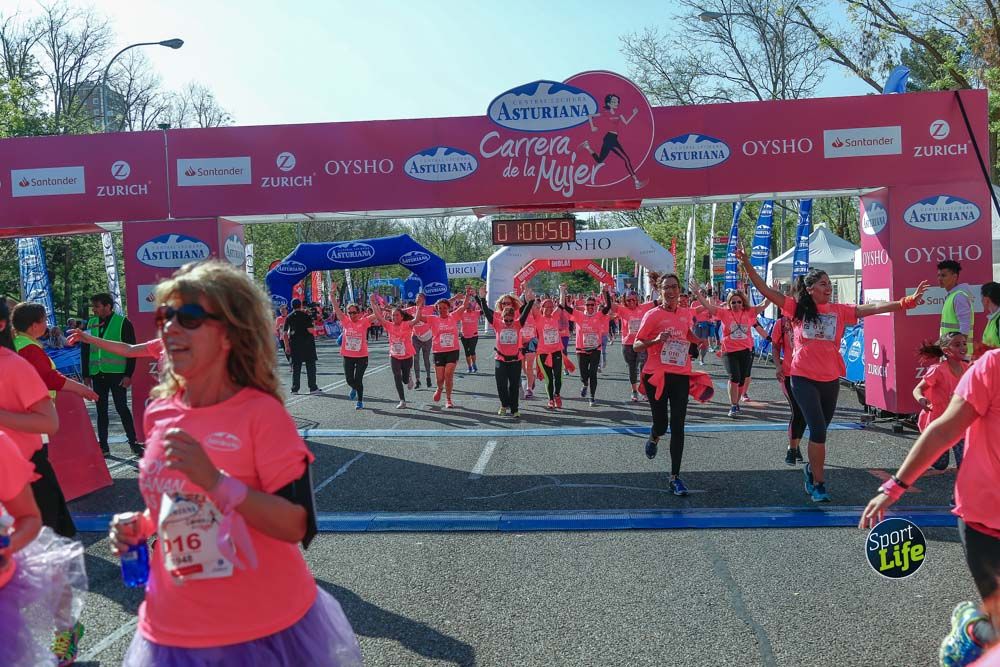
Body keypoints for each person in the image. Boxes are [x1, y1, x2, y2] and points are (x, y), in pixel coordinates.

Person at [109, 260, 363, 666]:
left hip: (259, 628)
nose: (170, 328)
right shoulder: (159, 411)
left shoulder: (262, 414)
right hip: (171, 623)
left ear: (229, 333)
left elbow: (297, 524)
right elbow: (177, 501)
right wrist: (140, 525)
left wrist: (217, 481)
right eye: (165, 316)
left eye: (189, 317)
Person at [738, 248, 929, 502]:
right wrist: (747, 264)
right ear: (810, 289)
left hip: (830, 379)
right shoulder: (796, 309)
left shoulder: (839, 310)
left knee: (822, 430)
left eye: (829, 283)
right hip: (802, 377)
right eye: (823, 284)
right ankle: (819, 484)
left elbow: (872, 307)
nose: (828, 287)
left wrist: (903, 303)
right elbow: (765, 290)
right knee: (818, 430)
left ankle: (810, 470)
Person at [860, 349, 1000, 667]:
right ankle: (972, 628)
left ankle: (979, 630)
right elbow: (944, 430)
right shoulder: (992, 367)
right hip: (985, 522)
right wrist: (895, 487)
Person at [632, 272, 714, 496]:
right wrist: (655, 340)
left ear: (679, 291)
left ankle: (675, 477)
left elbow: (686, 332)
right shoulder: (652, 315)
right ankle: (654, 436)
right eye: (666, 287)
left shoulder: (685, 313)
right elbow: (637, 345)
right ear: (659, 291)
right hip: (656, 375)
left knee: (678, 425)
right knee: (661, 423)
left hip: (680, 374)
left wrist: (698, 340)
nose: (670, 291)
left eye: (674, 287)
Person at [81, 292, 140, 457]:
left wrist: (128, 375)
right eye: (93, 306)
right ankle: (103, 446)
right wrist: (86, 374)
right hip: (97, 373)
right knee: (101, 411)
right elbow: (85, 349)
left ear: (108, 306)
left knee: (122, 408)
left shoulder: (123, 323)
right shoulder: (91, 323)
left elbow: (132, 351)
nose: (94, 310)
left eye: (97, 306)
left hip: (117, 374)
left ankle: (134, 443)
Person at [693, 288, 767, 417]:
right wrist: (699, 295)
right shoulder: (724, 313)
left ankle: (736, 403)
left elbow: (763, 305)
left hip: (745, 350)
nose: (736, 304)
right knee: (734, 377)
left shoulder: (749, 312)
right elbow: (708, 306)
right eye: (733, 302)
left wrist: (771, 292)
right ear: (729, 303)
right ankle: (733, 405)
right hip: (729, 351)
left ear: (743, 302)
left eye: (739, 302)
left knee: (742, 380)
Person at [914, 332, 969, 472]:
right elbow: (917, 389)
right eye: (957, 345)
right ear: (946, 350)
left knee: (966, 465)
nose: (963, 347)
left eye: (964, 343)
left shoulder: (967, 368)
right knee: (940, 465)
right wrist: (921, 399)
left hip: (959, 424)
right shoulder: (938, 370)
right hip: (939, 423)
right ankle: (925, 448)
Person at [477, 286, 533, 417]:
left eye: (510, 320)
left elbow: (525, 312)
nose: (508, 322)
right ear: (502, 317)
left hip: (515, 360)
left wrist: (530, 301)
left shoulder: (518, 323)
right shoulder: (497, 323)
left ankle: (515, 409)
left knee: (514, 386)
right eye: (506, 320)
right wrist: (482, 298)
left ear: (514, 318)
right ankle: (503, 405)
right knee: (501, 385)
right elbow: (486, 312)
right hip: (500, 359)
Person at [578, 93, 647, 190]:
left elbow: (626, 122)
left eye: (617, 102)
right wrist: (592, 127)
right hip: (609, 139)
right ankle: (636, 182)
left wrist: (634, 114)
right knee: (626, 159)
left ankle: (587, 146)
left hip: (612, 138)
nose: (616, 103)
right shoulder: (605, 112)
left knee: (599, 160)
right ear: (608, 103)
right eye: (614, 102)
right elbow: (590, 116)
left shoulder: (619, 113)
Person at [563, 284, 612, 406]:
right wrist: (562, 291)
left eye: (592, 305)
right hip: (581, 350)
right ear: (584, 306)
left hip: (595, 349)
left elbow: (608, 306)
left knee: (593, 373)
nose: (590, 307)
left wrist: (606, 292)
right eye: (588, 305)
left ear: (595, 306)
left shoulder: (599, 315)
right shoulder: (578, 315)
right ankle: (585, 384)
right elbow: (565, 307)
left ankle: (592, 396)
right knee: (584, 375)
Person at [423, 289, 471, 409]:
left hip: (452, 351)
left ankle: (448, 399)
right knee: (440, 378)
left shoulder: (453, 316)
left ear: (449, 308)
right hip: (438, 352)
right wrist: (418, 307)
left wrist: (467, 295)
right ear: (437, 309)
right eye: (440, 308)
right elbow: (418, 318)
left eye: (444, 308)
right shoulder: (433, 319)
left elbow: (465, 305)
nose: (442, 310)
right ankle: (440, 388)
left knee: (448, 375)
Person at [330, 288, 377, 410]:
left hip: (362, 356)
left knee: (358, 379)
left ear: (359, 313)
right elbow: (336, 308)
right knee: (349, 380)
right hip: (348, 356)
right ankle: (353, 388)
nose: (352, 315)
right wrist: (332, 294)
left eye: (354, 312)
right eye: (349, 313)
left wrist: (373, 302)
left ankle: (360, 401)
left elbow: (378, 315)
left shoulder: (364, 321)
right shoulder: (345, 321)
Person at [771, 314, 806, 466]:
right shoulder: (782, 323)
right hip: (788, 373)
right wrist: (778, 366)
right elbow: (775, 346)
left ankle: (796, 444)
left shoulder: (810, 319)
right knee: (797, 411)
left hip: (808, 374)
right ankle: (791, 449)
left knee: (805, 413)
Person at [617, 291, 657, 401]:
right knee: (632, 368)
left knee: (644, 367)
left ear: (637, 300)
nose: (631, 302)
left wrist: (657, 287)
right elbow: (609, 306)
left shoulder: (644, 307)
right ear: (625, 300)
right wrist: (605, 292)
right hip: (628, 344)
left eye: (633, 299)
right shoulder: (622, 309)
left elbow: (659, 301)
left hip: (641, 343)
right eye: (628, 300)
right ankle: (634, 391)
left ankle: (644, 391)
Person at [531, 295, 566, 409]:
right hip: (543, 353)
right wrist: (528, 296)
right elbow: (532, 307)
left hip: (556, 351)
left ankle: (557, 395)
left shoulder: (555, 316)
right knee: (549, 378)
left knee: (558, 377)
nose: (550, 309)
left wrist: (562, 291)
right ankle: (551, 399)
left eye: (551, 306)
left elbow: (561, 305)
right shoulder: (538, 318)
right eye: (547, 307)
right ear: (542, 308)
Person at [378, 303, 416, 409]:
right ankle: (402, 400)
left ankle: (409, 376)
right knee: (397, 376)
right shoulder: (389, 325)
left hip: (407, 356)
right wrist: (373, 303)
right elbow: (379, 318)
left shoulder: (407, 324)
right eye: (393, 315)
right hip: (394, 355)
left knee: (405, 380)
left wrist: (420, 307)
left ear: (402, 317)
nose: (394, 317)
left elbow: (416, 319)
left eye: (397, 315)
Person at [938, 260, 975, 356]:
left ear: (954, 277)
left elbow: (965, 327)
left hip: (958, 356)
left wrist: (959, 352)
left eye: (943, 275)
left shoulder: (959, 297)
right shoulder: (952, 296)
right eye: (939, 275)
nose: (940, 278)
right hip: (951, 353)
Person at [283, 298, 320, 395]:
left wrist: (287, 346)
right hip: (307, 344)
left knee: (296, 367)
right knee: (310, 365)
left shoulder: (289, 317)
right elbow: (310, 330)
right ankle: (312, 387)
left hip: (295, 344)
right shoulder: (306, 315)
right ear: (301, 305)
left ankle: (295, 388)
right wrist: (313, 325)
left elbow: (284, 333)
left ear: (292, 306)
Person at [409, 300, 434, 390]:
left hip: (427, 337)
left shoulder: (429, 308)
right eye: (418, 298)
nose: (419, 300)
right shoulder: (411, 309)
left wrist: (455, 298)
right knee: (415, 358)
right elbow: (399, 310)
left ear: (424, 300)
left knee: (426, 358)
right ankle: (418, 380)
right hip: (416, 336)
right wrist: (384, 308)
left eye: (421, 298)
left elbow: (442, 303)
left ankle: (428, 377)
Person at [459, 292, 482, 373]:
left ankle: (474, 364)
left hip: (474, 336)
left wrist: (479, 298)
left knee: (472, 351)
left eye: (470, 306)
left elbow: (484, 309)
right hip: (464, 336)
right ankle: (469, 366)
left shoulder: (476, 313)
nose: (468, 308)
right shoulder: (462, 313)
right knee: (467, 352)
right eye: (467, 307)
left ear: (472, 307)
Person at [977, 282, 1000, 358]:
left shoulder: (998, 320)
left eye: (982, 297)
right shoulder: (993, 319)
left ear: (987, 299)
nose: (981, 300)